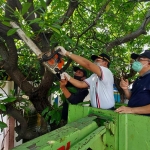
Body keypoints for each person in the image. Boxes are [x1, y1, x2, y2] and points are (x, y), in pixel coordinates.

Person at [115, 50, 150, 115]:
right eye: (137, 59)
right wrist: (125, 89)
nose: (136, 61)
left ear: (149, 63)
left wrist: (131, 110)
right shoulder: (138, 79)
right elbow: (132, 98)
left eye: (140, 59)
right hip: (134, 120)